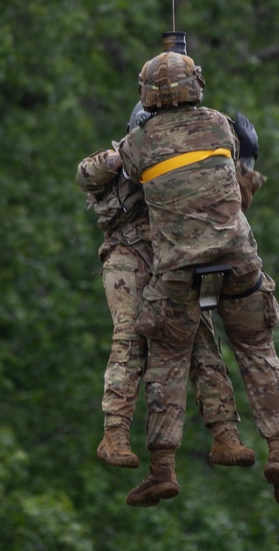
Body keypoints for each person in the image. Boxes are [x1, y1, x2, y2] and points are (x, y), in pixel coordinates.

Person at [117, 38, 279, 509]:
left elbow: (132, 181)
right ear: (195, 85)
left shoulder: (137, 144)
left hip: (179, 273)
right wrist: (251, 161)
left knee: (168, 358)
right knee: (259, 350)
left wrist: (135, 130)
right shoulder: (220, 125)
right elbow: (232, 193)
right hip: (239, 263)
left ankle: (162, 470)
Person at [76, 104, 260, 476]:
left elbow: (229, 207)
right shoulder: (122, 155)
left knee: (202, 341)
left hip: (171, 261)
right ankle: (115, 434)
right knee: (129, 339)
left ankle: (225, 433)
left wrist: (248, 161)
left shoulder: (185, 164)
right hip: (128, 256)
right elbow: (87, 174)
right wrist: (130, 151)